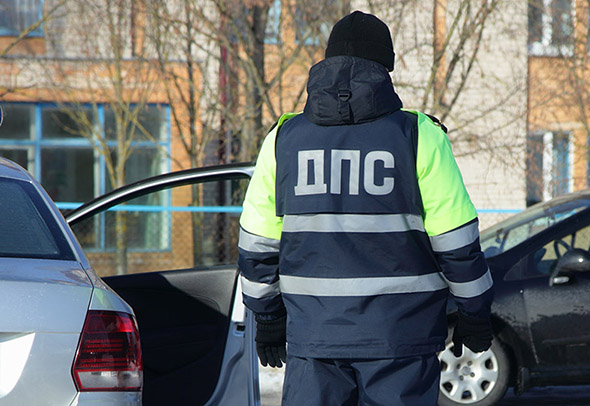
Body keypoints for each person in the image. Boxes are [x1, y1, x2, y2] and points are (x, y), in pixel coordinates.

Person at [237, 10, 494, 406]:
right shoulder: (419, 136)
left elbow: (257, 245)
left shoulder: (283, 139)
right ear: (386, 67)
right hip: (401, 340)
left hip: (314, 339)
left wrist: (268, 318)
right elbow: (457, 244)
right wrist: (474, 312)